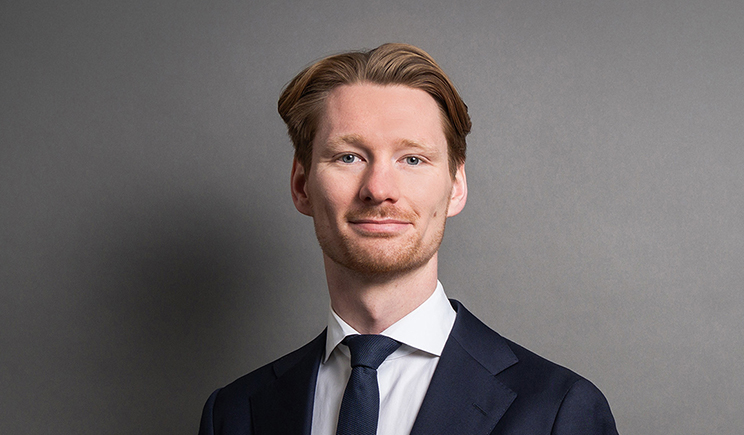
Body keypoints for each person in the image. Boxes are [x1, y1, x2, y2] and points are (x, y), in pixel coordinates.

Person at [198, 43, 618, 435]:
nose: (379, 189)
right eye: (349, 157)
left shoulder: (559, 411)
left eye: (412, 159)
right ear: (301, 185)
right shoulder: (232, 414)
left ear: (456, 187)